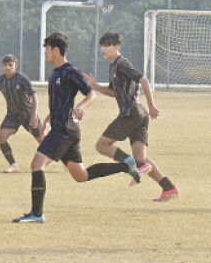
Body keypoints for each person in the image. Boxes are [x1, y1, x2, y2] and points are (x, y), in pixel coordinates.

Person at [12, 32, 140, 224]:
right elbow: (58, 104)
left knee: (37, 164)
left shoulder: (70, 71)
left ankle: (36, 214)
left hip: (64, 129)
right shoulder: (54, 73)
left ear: (56, 50)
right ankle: (126, 166)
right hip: (63, 128)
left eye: (47, 49)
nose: (45, 53)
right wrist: (47, 120)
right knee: (81, 175)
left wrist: (81, 106)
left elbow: (91, 94)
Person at [84, 31, 180, 202]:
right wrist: (95, 85)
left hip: (131, 113)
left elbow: (143, 80)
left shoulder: (122, 63)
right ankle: (169, 188)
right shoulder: (113, 66)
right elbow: (113, 92)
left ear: (117, 47)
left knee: (102, 145)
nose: (103, 49)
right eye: (102, 46)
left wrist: (151, 105)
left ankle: (131, 164)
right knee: (142, 159)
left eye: (108, 45)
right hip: (139, 114)